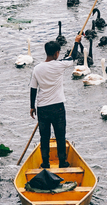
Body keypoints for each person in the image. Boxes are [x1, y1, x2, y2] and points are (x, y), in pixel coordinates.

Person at [30, 34, 83, 169]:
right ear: (56, 53)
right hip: (58, 107)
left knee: (44, 137)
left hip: (42, 108)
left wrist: (32, 107)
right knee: (60, 136)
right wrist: (76, 42)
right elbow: (73, 57)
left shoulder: (37, 68)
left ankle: (45, 163)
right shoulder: (59, 65)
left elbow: (33, 89)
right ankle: (62, 162)